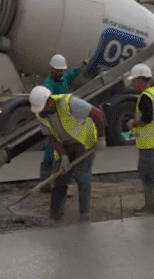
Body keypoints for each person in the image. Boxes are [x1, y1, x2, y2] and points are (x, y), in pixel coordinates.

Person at [29, 85, 106, 223]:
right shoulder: (41, 115)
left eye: (43, 108)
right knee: (59, 180)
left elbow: (96, 113)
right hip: (64, 144)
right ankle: (55, 217)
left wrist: (101, 138)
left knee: (83, 177)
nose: (41, 112)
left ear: (49, 101)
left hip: (84, 142)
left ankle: (85, 217)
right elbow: (51, 137)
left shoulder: (70, 103)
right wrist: (63, 156)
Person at [127, 64, 154, 216]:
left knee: (148, 176)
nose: (133, 84)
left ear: (140, 80)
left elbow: (146, 119)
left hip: (148, 144)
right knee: (149, 175)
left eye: (134, 80)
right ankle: (151, 204)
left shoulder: (146, 96)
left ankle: (152, 207)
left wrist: (132, 124)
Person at [38, 54, 82, 190]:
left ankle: (62, 180)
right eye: (57, 70)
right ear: (52, 69)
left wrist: (84, 65)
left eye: (61, 70)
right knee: (50, 152)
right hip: (53, 119)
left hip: (65, 121)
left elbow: (72, 73)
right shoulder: (49, 83)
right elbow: (49, 98)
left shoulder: (64, 79)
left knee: (65, 150)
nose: (59, 72)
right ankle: (45, 183)